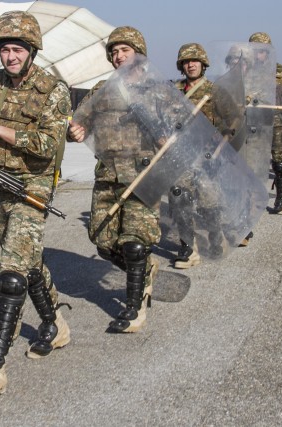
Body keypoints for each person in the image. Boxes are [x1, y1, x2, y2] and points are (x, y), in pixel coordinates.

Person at [0, 10, 72, 398]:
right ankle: (53, 324)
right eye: (4, 49)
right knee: (26, 262)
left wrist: (1, 131)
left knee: (10, 270)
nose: (9, 57)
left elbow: (47, 145)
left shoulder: (53, 90)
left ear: (31, 49)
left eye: (17, 49)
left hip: (33, 186)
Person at [67, 27, 159, 334]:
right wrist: (75, 130)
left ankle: (134, 309)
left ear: (139, 54)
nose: (119, 55)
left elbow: (178, 131)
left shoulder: (158, 90)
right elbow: (80, 121)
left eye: (125, 50)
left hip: (144, 177)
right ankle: (144, 268)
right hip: (107, 176)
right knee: (103, 241)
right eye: (115, 51)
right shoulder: (101, 90)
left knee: (133, 243)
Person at [170, 43, 226, 267]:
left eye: (194, 61)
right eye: (186, 61)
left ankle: (215, 236)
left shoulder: (215, 91)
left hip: (206, 156)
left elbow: (228, 124)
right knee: (179, 202)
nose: (190, 64)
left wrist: (220, 149)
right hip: (179, 155)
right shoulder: (172, 92)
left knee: (208, 203)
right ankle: (187, 248)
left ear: (203, 64)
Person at [249, 32, 282, 214]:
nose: (259, 55)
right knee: (255, 163)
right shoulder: (248, 70)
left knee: (279, 163)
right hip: (256, 123)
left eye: (262, 51)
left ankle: (281, 198)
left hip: (277, 123)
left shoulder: (281, 71)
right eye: (255, 51)